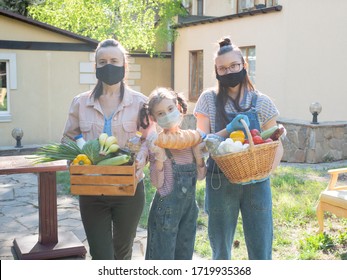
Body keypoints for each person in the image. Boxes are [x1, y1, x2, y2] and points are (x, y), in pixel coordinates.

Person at [194, 36, 284, 260]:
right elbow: (202, 143)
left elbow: (276, 144)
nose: (229, 71)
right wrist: (226, 131)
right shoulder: (207, 100)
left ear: (244, 65)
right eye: (222, 68)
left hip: (257, 183)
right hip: (220, 180)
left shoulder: (261, 102)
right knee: (221, 252)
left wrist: (263, 173)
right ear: (216, 72)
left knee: (261, 251)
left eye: (234, 66)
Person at [63, 38, 153, 260]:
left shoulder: (141, 103)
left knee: (123, 254)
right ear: (95, 67)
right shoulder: (80, 103)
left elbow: (150, 141)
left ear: (124, 65)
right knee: (101, 255)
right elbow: (67, 139)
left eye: (114, 60)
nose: (108, 65)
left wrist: (143, 156)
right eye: (102, 62)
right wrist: (75, 162)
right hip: (92, 191)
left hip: (129, 190)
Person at [140, 87, 207, 260]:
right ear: (154, 119)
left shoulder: (190, 139)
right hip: (165, 214)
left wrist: (198, 155)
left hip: (189, 212)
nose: (168, 115)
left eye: (170, 109)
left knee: (184, 257)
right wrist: (160, 158)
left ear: (178, 107)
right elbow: (156, 183)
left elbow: (200, 176)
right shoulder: (157, 143)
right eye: (161, 113)